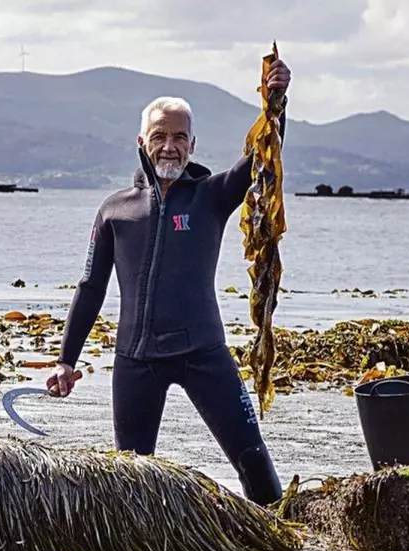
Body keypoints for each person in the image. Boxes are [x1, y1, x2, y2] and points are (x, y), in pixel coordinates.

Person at [47, 59, 291, 506]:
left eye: (180, 137)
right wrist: (66, 360)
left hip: (204, 353)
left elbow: (263, 155)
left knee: (252, 459)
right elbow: (90, 287)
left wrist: (277, 101)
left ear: (192, 145)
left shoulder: (212, 196)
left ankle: (284, 536)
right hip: (136, 361)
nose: (169, 147)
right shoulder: (115, 210)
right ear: (142, 142)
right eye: (159, 136)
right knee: (133, 478)